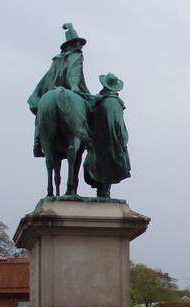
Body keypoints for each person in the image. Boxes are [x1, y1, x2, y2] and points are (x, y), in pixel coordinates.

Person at [28, 24, 92, 157]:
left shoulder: (56, 61)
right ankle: (90, 141)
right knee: (92, 112)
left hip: (51, 91)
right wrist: (74, 87)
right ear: (72, 45)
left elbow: (45, 80)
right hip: (72, 90)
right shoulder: (76, 55)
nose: (80, 47)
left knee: (42, 106)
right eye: (77, 43)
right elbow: (74, 73)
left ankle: (37, 141)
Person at [84, 73, 131, 198]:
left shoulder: (98, 102)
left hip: (97, 141)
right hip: (111, 141)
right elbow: (119, 124)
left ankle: (102, 191)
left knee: (99, 165)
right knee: (109, 164)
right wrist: (123, 140)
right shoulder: (115, 102)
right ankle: (104, 191)